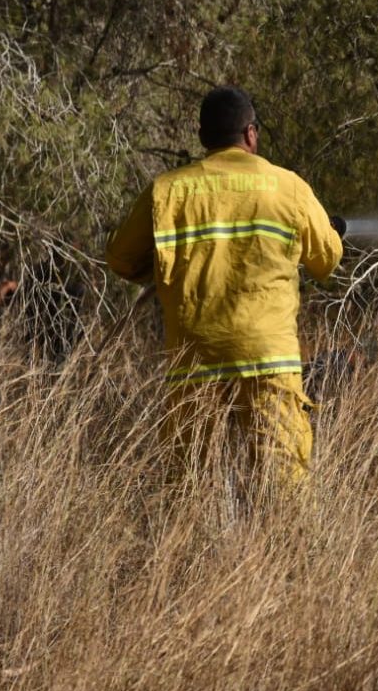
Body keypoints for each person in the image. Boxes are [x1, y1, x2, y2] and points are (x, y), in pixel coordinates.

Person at [106, 86, 343, 491]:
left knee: (191, 488)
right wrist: (328, 233)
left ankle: (191, 554)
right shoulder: (289, 188)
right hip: (268, 357)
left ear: (202, 137)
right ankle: (291, 553)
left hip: (194, 356)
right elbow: (327, 259)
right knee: (284, 487)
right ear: (251, 134)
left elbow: (121, 259)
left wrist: (163, 269)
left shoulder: (168, 190)